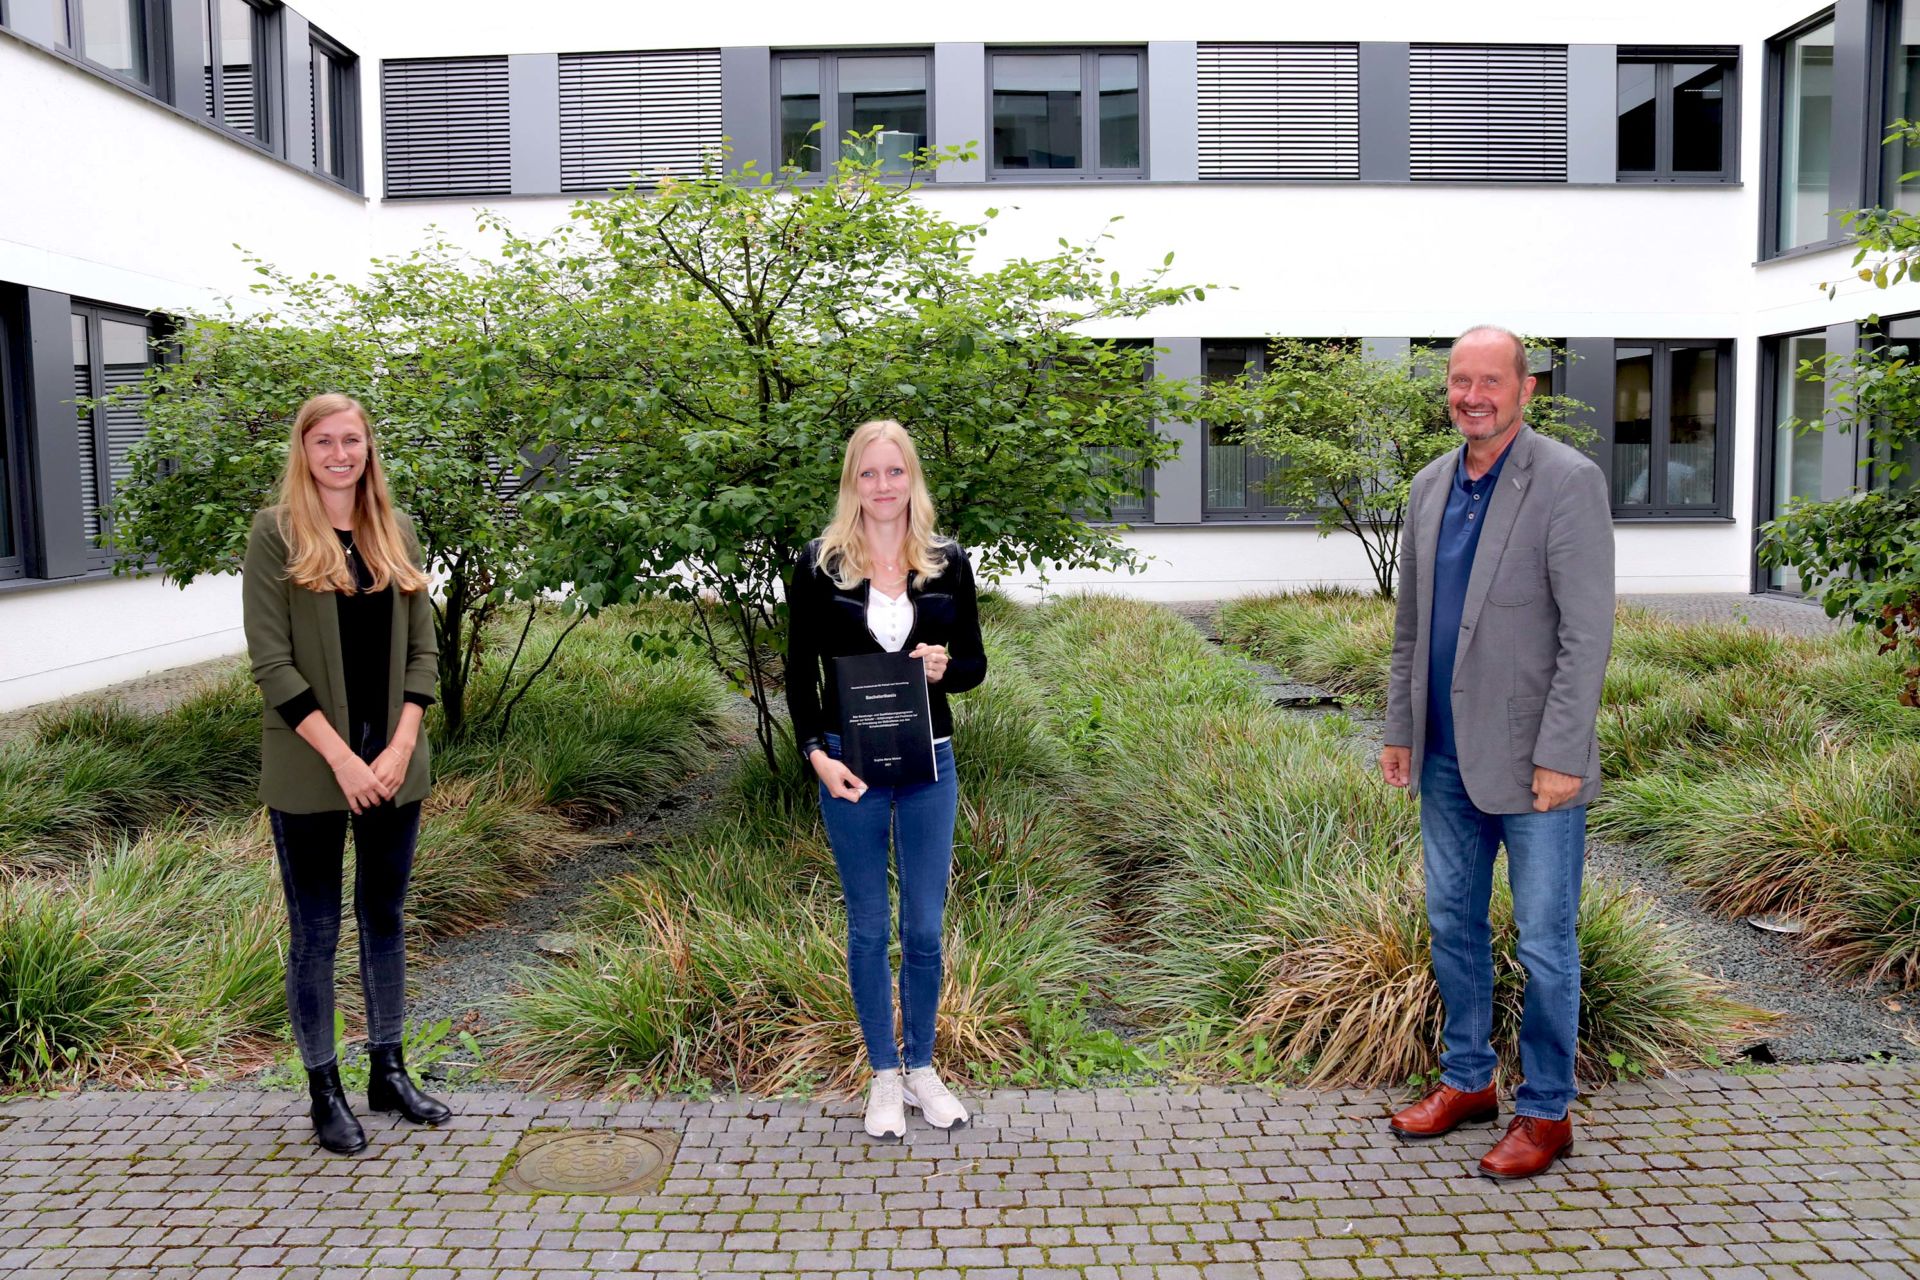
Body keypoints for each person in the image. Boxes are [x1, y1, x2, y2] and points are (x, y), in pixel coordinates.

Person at [1380, 326, 1614, 1180]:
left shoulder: (1566, 481)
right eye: (1459, 380)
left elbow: (1587, 636)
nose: (1472, 395)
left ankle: (1546, 1113)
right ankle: (1469, 1082)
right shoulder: (1429, 484)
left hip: (1532, 763)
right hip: (1444, 751)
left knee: (1546, 940)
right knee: (1452, 923)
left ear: (1526, 390)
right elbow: (1412, 622)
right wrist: (1400, 729)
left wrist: (1562, 755)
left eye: (1490, 381)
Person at [242, 393, 450, 1155]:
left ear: (369, 449)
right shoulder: (277, 535)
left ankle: (387, 1071)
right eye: (325, 441)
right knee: (317, 932)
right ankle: (324, 1089)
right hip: (313, 767)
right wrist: (344, 761)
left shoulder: (394, 533)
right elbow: (271, 662)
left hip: (395, 765)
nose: (340, 454)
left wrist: (396, 751)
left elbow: (424, 653)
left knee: (386, 920)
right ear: (304, 449)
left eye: (352, 440)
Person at [785, 419, 988, 1141]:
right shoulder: (819, 563)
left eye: (893, 472)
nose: (881, 486)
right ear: (852, 480)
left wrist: (944, 668)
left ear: (912, 478)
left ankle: (923, 1068)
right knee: (869, 927)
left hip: (930, 763)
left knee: (925, 928)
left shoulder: (946, 560)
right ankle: (881, 1076)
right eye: (868, 473)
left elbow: (973, 667)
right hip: (851, 768)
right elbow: (798, 675)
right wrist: (817, 755)